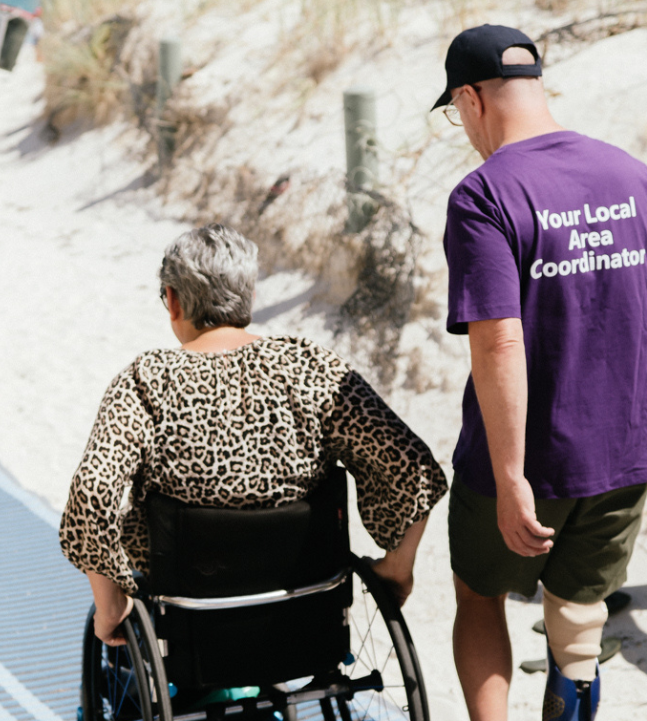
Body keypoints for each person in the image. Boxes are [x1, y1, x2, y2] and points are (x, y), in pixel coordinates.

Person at [433, 25, 647, 721]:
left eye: (457, 112)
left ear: (472, 99)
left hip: (524, 458)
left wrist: (509, 475)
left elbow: (498, 343)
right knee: (578, 625)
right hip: (620, 451)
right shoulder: (629, 173)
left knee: (479, 597)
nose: (463, 129)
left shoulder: (485, 195)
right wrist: (618, 368)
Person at [60, 224, 448, 651]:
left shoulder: (144, 382)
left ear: (172, 301)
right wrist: (397, 567)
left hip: (188, 609)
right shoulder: (310, 367)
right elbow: (411, 463)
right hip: (305, 599)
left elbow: (92, 491)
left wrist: (111, 602)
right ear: (250, 295)